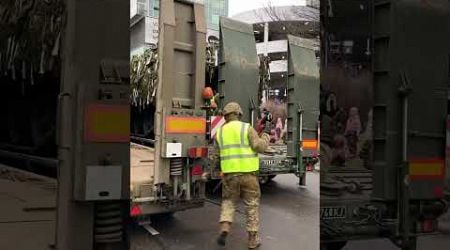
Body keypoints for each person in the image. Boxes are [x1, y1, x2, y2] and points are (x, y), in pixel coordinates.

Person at [212, 102, 271, 249]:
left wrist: (210, 172)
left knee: (228, 202)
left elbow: (215, 157)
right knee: (251, 206)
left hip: (230, 176)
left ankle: (225, 227)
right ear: (238, 113)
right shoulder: (246, 128)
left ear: (226, 116)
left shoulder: (220, 132)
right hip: (249, 175)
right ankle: (252, 240)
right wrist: (265, 136)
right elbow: (259, 146)